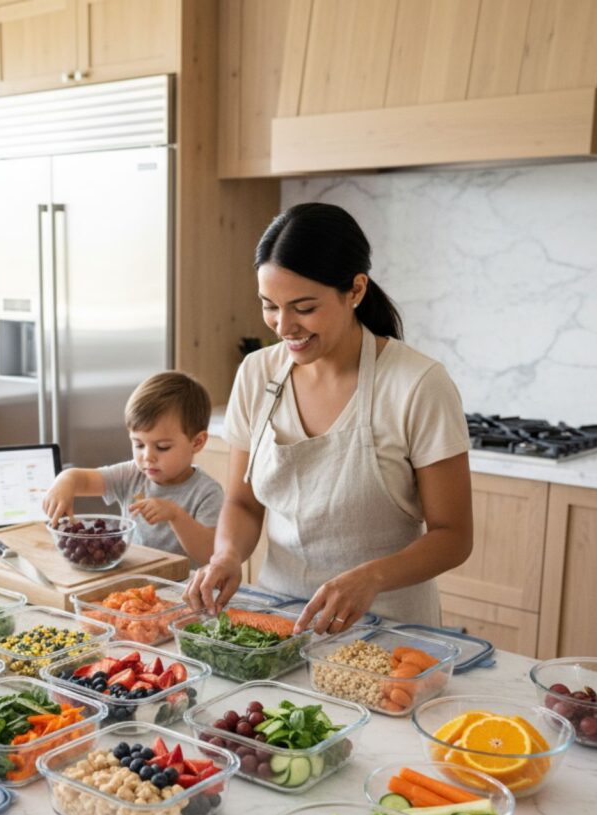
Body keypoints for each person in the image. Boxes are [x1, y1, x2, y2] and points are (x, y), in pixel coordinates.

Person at [186, 203, 473, 632]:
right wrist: (226, 555)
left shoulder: (417, 384)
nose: (284, 326)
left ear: (355, 290)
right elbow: (243, 503)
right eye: (269, 306)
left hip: (390, 633)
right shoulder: (257, 373)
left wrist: (371, 576)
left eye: (303, 308)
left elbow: (453, 536)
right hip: (277, 621)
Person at [42, 371, 223, 565]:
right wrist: (63, 483)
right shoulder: (131, 474)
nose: (147, 457)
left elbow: (209, 555)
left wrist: (176, 516)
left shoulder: (207, 493)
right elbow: (82, 480)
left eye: (162, 447)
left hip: (183, 590)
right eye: (138, 444)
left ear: (197, 442)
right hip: (132, 583)